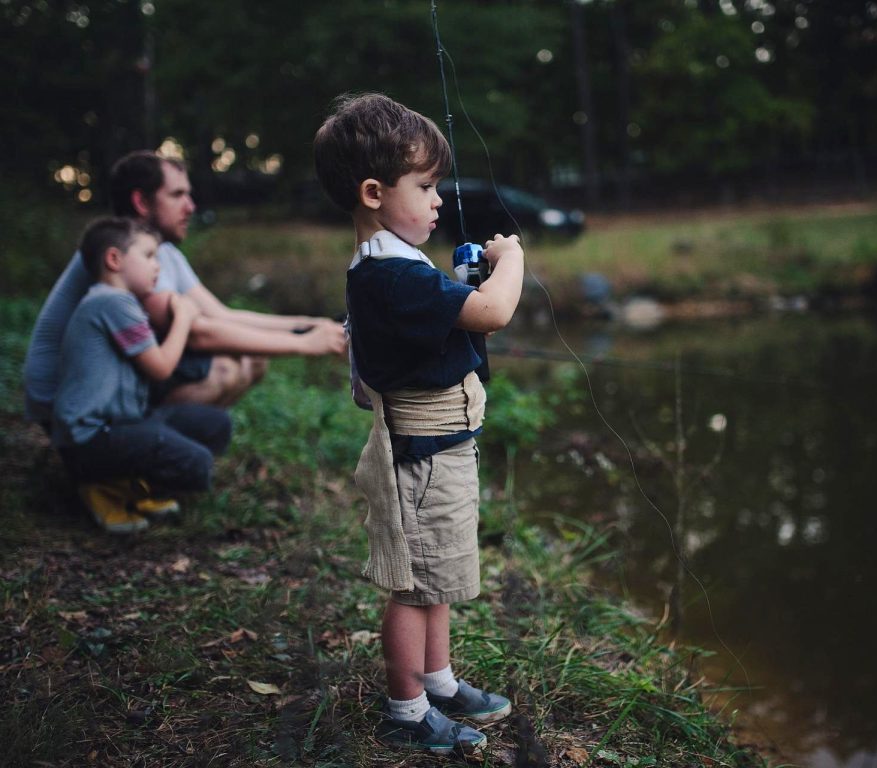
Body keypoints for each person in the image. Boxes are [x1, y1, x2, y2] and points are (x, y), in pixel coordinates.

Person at [313, 92, 525, 756]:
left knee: (437, 578)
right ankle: (406, 709)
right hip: (424, 456)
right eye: (426, 185)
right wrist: (510, 260)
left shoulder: (395, 267)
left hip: (442, 447)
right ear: (374, 191)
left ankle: (437, 679)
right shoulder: (389, 275)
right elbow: (491, 313)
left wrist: (462, 281)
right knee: (413, 588)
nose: (439, 199)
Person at [23, 150, 349, 425]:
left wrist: (308, 324)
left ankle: (164, 455)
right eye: (177, 195)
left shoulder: (160, 252)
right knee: (225, 367)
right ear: (141, 201)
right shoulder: (126, 260)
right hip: (64, 402)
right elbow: (199, 333)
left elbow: (221, 315)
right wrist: (307, 345)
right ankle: (135, 463)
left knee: (252, 358)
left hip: (109, 382)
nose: (191, 207)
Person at [52, 217, 232, 534]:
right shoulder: (112, 301)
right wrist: (185, 317)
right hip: (89, 440)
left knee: (217, 425)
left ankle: (128, 483)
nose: (157, 267)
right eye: (149, 256)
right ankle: (103, 488)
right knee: (197, 463)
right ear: (114, 260)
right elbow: (162, 366)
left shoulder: (117, 302)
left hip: (122, 425)